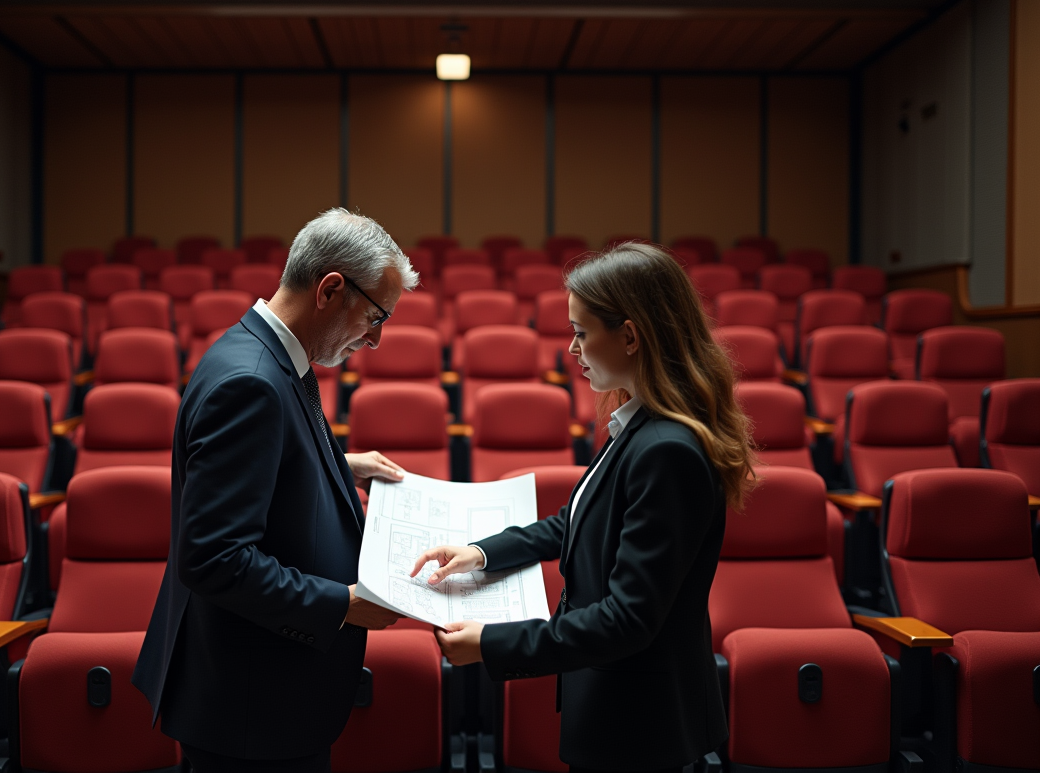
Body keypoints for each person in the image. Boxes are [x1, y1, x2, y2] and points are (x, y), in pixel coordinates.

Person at [411, 242, 754, 773]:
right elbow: (576, 522)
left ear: (632, 335)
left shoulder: (666, 449)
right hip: (620, 706)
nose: (571, 348)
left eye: (581, 331)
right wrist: (481, 553)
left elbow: (627, 620)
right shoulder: (638, 422)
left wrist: (494, 644)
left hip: (640, 722)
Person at [134, 208, 417, 773]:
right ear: (331, 289)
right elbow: (216, 559)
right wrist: (345, 606)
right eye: (375, 315)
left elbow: (265, 462)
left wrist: (334, 463)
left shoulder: (259, 352)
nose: (377, 339)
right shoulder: (251, 384)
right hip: (250, 705)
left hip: (255, 692)